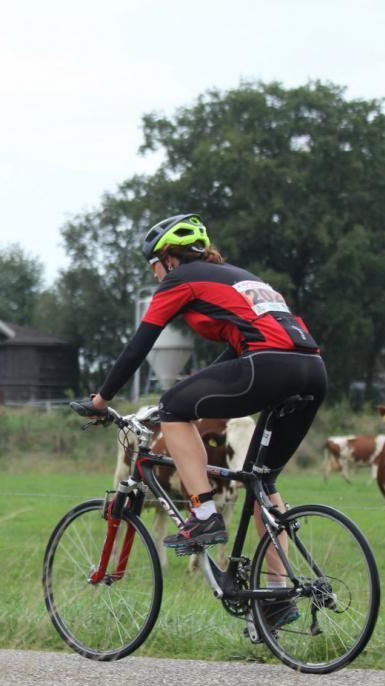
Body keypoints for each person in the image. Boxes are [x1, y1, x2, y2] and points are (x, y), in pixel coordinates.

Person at [90, 213, 327, 626]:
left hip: (268, 365)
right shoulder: (242, 278)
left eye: (154, 266)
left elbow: (139, 345)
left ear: (168, 258)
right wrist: (199, 384)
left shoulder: (180, 279)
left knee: (171, 408)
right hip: (312, 370)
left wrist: (101, 398)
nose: (155, 275)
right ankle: (277, 595)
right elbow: (241, 344)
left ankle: (203, 514)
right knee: (262, 481)